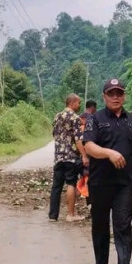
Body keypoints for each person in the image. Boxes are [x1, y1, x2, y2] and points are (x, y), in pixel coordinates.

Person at [83, 79, 132, 264]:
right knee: (100, 223)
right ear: (104, 96)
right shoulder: (95, 119)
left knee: (123, 225)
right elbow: (88, 146)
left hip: (125, 183)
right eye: (111, 93)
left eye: (119, 93)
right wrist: (109, 153)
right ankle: (101, 262)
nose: (115, 97)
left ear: (124, 96)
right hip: (100, 182)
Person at [49, 93, 89, 222]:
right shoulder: (75, 118)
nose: (79, 105)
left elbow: (54, 135)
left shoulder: (57, 116)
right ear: (72, 103)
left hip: (58, 156)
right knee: (71, 183)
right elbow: (78, 140)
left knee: (56, 186)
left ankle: (53, 215)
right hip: (70, 156)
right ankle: (70, 214)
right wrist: (84, 155)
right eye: (78, 103)